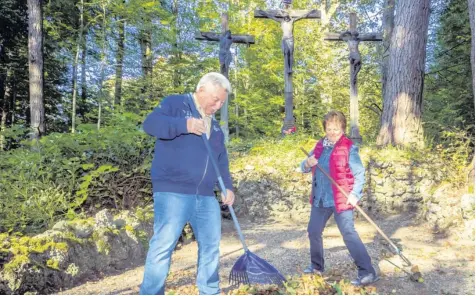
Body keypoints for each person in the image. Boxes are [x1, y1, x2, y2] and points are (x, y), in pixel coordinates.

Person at [140, 72, 235, 295]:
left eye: (222, 102)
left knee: (211, 246)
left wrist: (227, 187)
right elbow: (150, 124)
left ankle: (209, 290)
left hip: (205, 195)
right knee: (163, 246)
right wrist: (185, 124)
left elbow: (221, 160)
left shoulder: (216, 127)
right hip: (173, 191)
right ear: (201, 90)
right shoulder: (176, 103)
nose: (219, 105)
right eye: (216, 99)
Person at [300, 110, 378, 286]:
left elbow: (360, 174)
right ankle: (317, 267)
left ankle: (367, 272)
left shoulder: (349, 148)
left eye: (336, 128)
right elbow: (302, 166)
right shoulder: (319, 146)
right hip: (320, 199)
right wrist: (307, 163)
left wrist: (354, 195)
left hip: (341, 198)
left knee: (348, 234)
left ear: (342, 128)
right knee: (313, 231)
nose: (332, 132)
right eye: (329, 128)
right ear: (325, 128)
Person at [258, 9, 316, 74]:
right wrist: (264, 13)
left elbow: (302, 16)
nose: (286, 18)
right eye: (285, 17)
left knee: (291, 53)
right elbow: (272, 17)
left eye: (287, 16)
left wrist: (309, 12)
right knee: (286, 53)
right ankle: (287, 68)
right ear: (283, 17)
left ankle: (290, 68)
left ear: (288, 16)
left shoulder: (292, 21)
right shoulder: (281, 21)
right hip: (285, 39)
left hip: (290, 39)